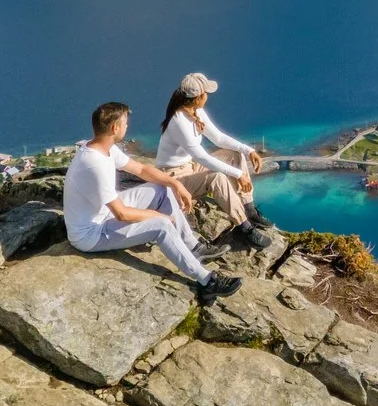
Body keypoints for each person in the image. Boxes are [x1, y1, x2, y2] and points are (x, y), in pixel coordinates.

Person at [62, 101, 241, 300]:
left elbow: (140, 169)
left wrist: (175, 184)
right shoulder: (95, 164)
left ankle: (193, 247)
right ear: (115, 128)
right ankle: (208, 281)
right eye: (125, 123)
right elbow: (121, 214)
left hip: (101, 213)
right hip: (91, 234)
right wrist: (155, 215)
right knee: (161, 226)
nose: (127, 126)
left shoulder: (103, 147)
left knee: (161, 189)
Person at [155, 72, 276, 244]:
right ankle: (244, 227)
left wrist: (249, 151)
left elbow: (218, 138)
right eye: (206, 93)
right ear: (197, 97)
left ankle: (249, 208)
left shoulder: (196, 112)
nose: (208, 96)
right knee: (217, 178)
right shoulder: (179, 121)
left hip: (190, 167)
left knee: (235, 155)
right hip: (173, 177)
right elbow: (201, 157)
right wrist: (237, 174)